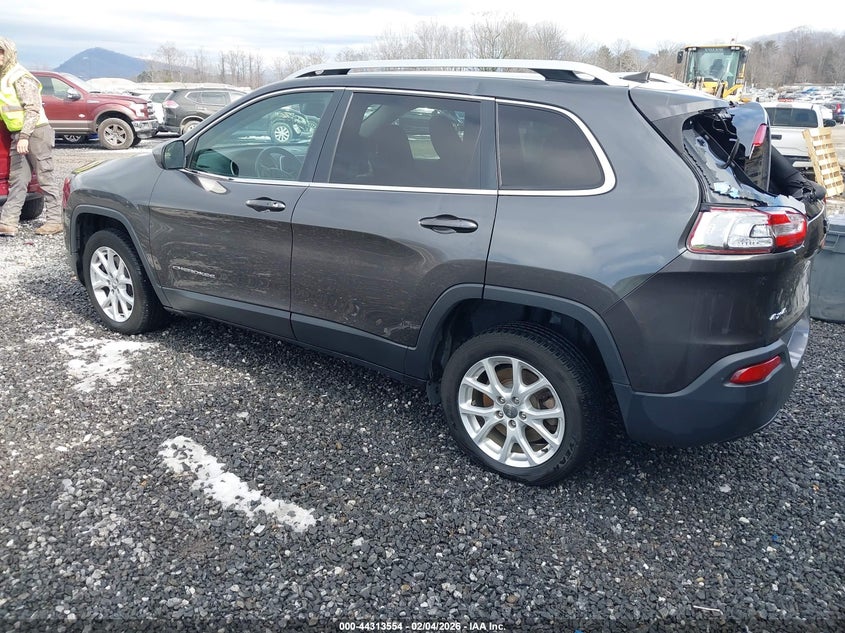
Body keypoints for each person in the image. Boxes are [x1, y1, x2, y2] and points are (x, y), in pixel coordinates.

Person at [0, 36, 62, 237]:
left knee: (45, 177)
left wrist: (25, 136)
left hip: (35, 132)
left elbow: (33, 109)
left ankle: (55, 221)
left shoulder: (20, 77)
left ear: (9, 53)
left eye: (1, 52)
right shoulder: (3, 78)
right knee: (18, 180)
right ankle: (8, 222)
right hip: (18, 134)